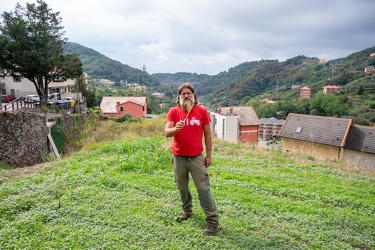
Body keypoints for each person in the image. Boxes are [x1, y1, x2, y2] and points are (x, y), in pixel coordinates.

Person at [164, 83, 219, 236]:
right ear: (179, 97)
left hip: (196, 157)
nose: (186, 96)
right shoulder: (173, 112)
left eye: (189, 93)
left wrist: (208, 155)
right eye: (183, 94)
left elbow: (208, 134)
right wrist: (176, 128)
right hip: (178, 156)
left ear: (194, 96)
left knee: (203, 188)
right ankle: (187, 211)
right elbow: (167, 132)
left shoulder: (201, 111)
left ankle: (212, 222)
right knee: (182, 186)